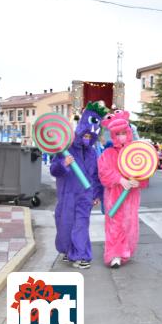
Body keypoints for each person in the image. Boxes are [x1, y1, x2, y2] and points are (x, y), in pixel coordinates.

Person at [50, 102, 105, 269]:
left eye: (91, 137)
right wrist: (64, 164)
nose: (87, 139)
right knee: (65, 224)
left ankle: (82, 255)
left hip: (85, 196)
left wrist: (96, 194)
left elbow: (96, 175)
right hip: (67, 195)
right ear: (80, 130)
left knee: (81, 224)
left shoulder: (93, 152)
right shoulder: (66, 148)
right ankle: (68, 250)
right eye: (85, 136)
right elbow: (54, 170)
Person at [98, 110, 148, 268]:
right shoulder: (108, 153)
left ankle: (125, 251)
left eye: (123, 133)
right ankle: (114, 255)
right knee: (114, 223)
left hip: (131, 196)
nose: (121, 137)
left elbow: (145, 172)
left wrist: (138, 182)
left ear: (128, 133)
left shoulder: (136, 152)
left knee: (129, 224)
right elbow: (104, 172)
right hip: (114, 195)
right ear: (113, 136)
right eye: (117, 134)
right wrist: (119, 179)